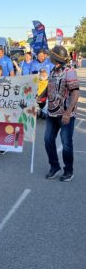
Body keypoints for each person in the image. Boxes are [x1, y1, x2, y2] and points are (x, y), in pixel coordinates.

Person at [44, 45, 80, 182]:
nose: (49, 56)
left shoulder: (69, 71)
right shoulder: (53, 70)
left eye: (50, 55)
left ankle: (68, 170)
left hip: (65, 115)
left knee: (66, 144)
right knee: (48, 140)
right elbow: (50, 89)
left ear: (56, 57)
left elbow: (75, 92)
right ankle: (54, 166)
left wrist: (68, 112)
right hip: (52, 113)